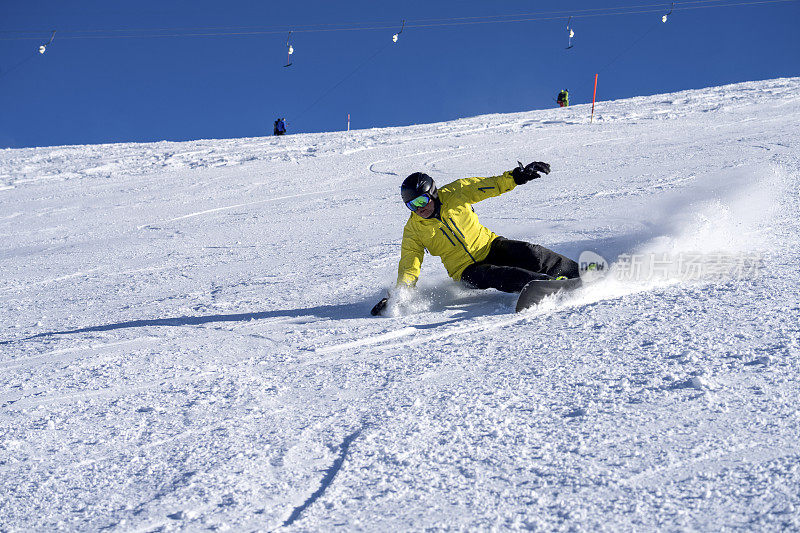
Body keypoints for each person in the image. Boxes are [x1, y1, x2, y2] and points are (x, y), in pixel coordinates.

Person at [371, 163, 580, 315]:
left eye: (422, 200)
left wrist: (516, 177)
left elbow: (489, 185)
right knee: (499, 275)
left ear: (432, 193)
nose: (420, 208)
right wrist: (398, 297)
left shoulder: (456, 193)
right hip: (465, 270)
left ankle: (581, 272)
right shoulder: (413, 230)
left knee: (533, 253)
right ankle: (547, 286)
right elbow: (409, 266)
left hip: (489, 244)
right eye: (412, 205)